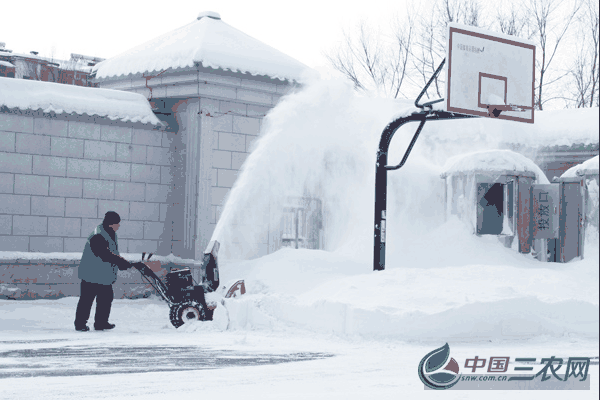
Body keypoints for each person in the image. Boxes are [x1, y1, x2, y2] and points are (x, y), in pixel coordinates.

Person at [74, 211, 145, 332]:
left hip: (103, 275)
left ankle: (101, 323)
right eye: (117, 223)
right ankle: (80, 324)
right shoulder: (98, 235)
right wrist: (122, 262)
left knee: (106, 298)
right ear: (111, 223)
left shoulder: (110, 233)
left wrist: (122, 263)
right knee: (87, 299)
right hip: (91, 273)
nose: (119, 226)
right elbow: (104, 254)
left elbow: (112, 253)